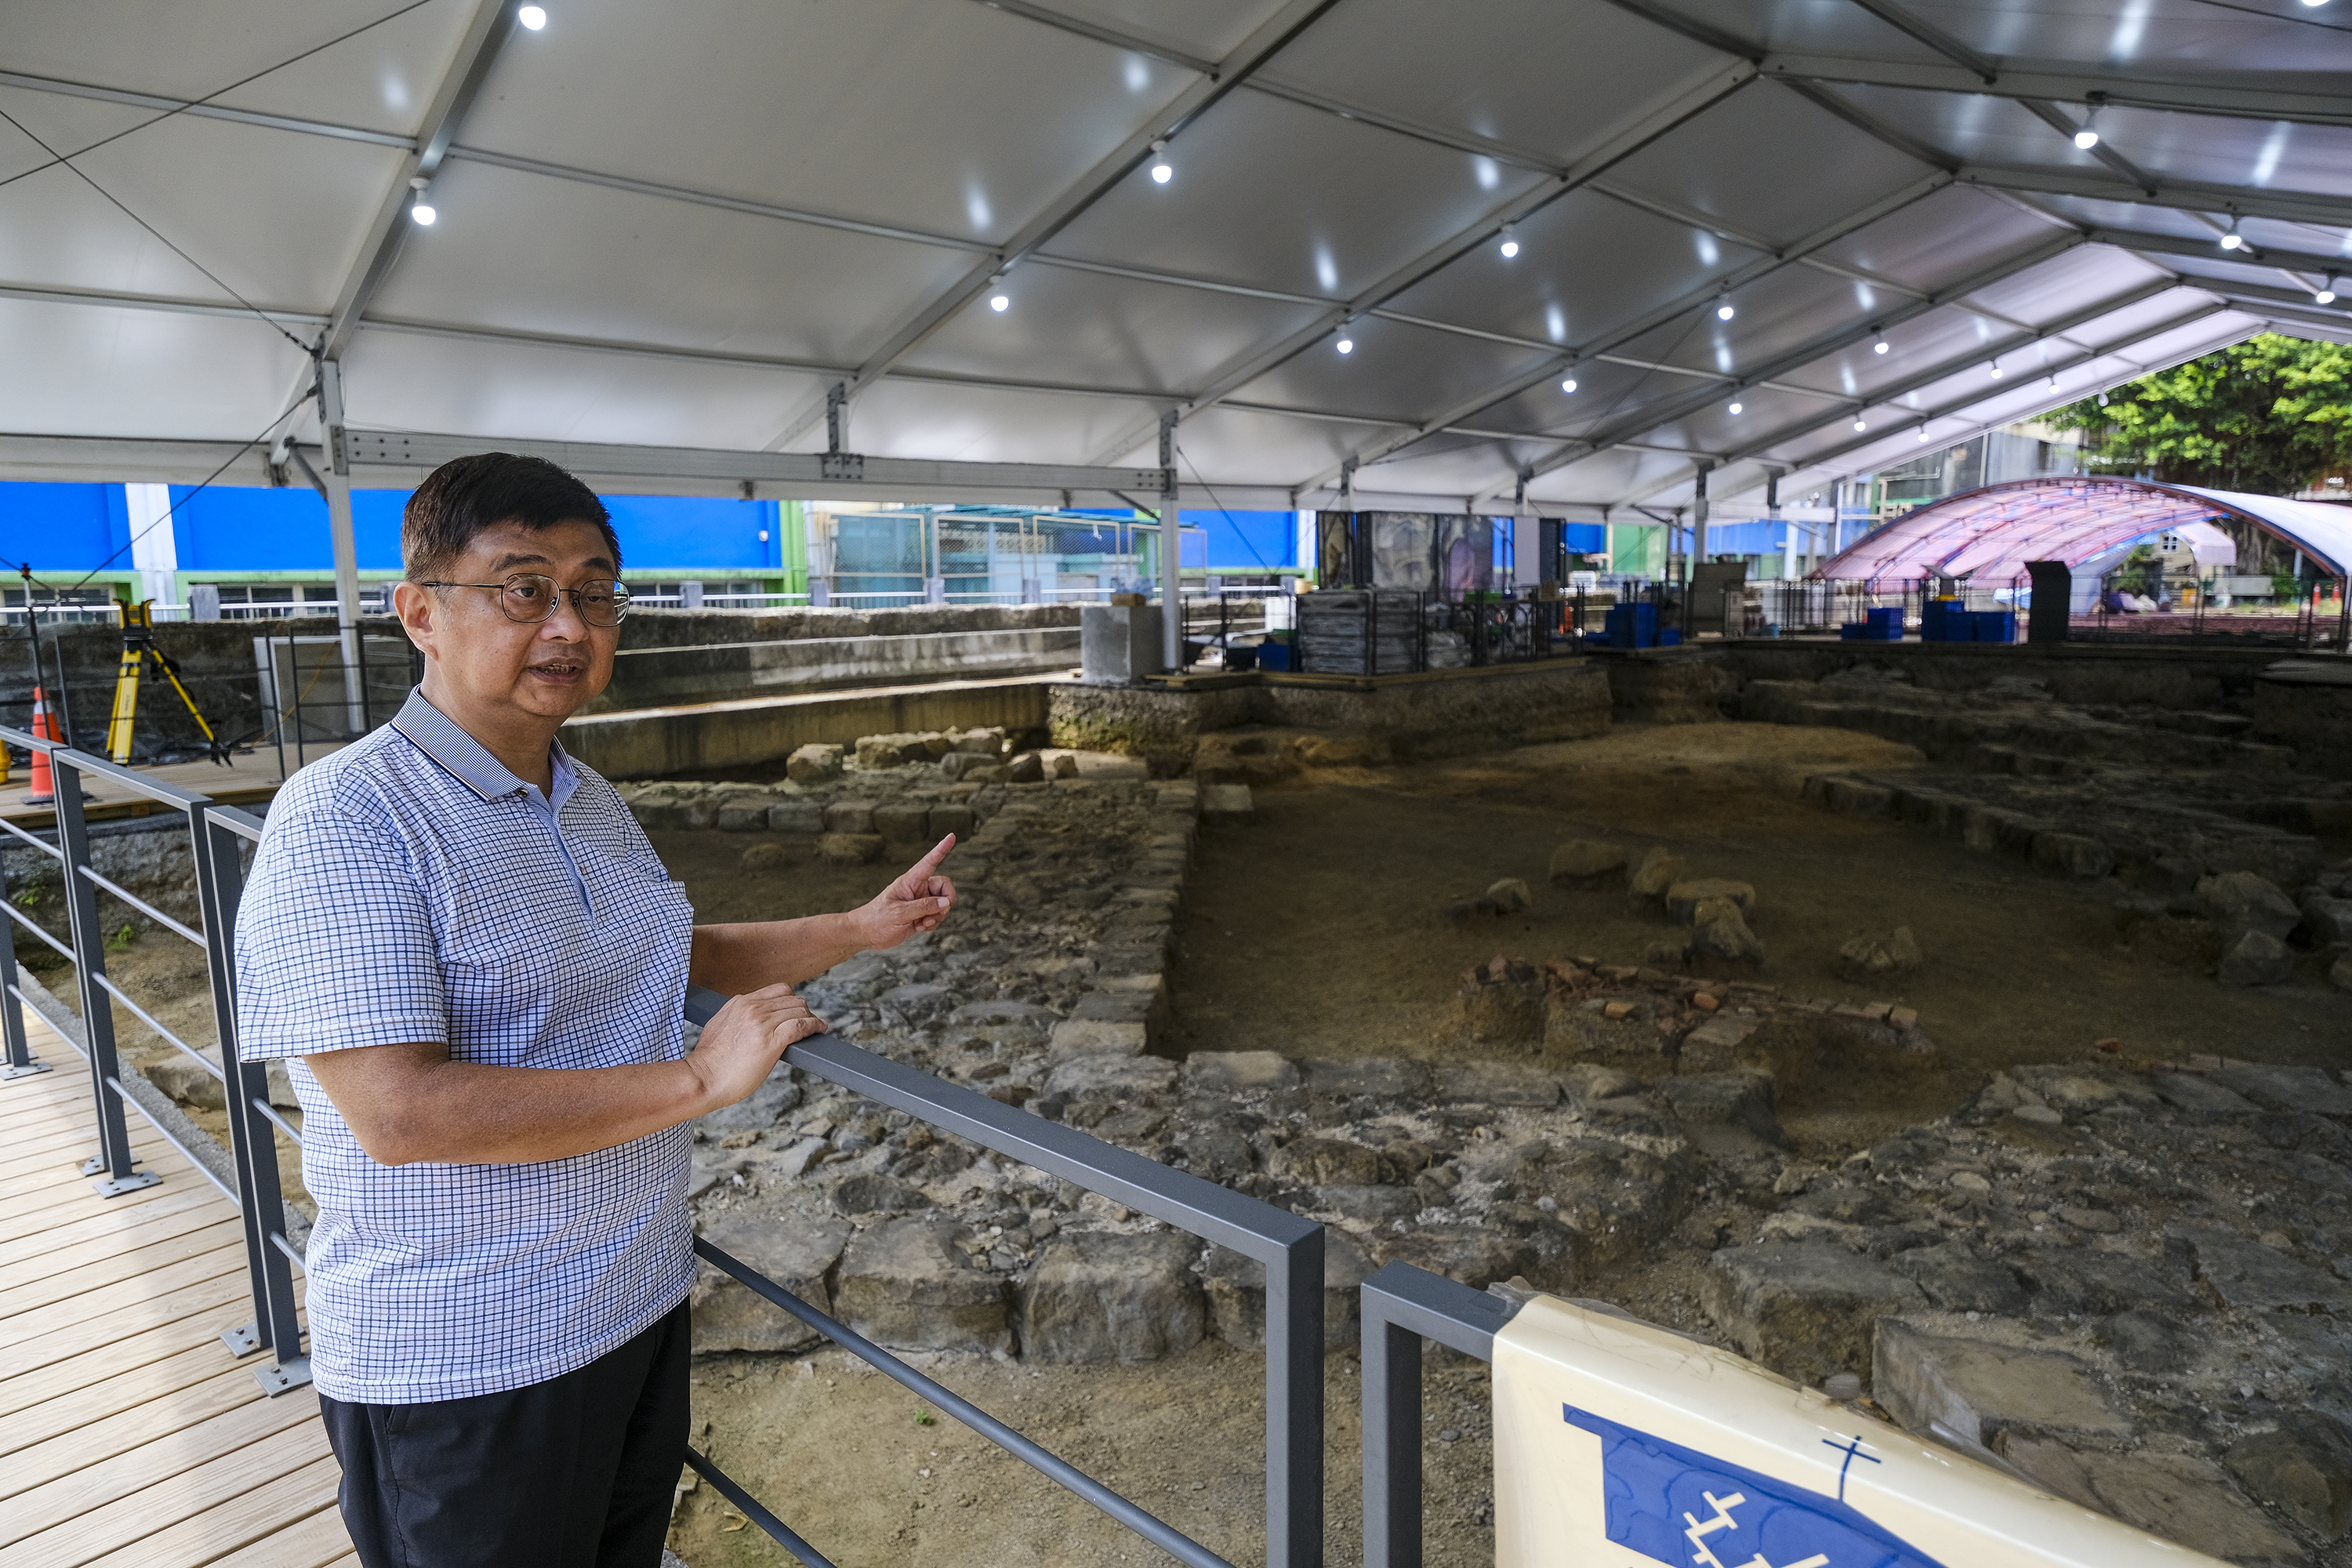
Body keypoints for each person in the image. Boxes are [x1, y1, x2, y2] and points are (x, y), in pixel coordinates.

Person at [234, 452, 956, 1568]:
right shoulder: (347, 819)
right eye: (524, 589)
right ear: (421, 613)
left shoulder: (583, 796)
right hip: (470, 1356)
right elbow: (401, 1113)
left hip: (633, 1303)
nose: (569, 626)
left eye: (594, 592)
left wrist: (856, 927)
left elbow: (664, 953)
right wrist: (699, 1079)